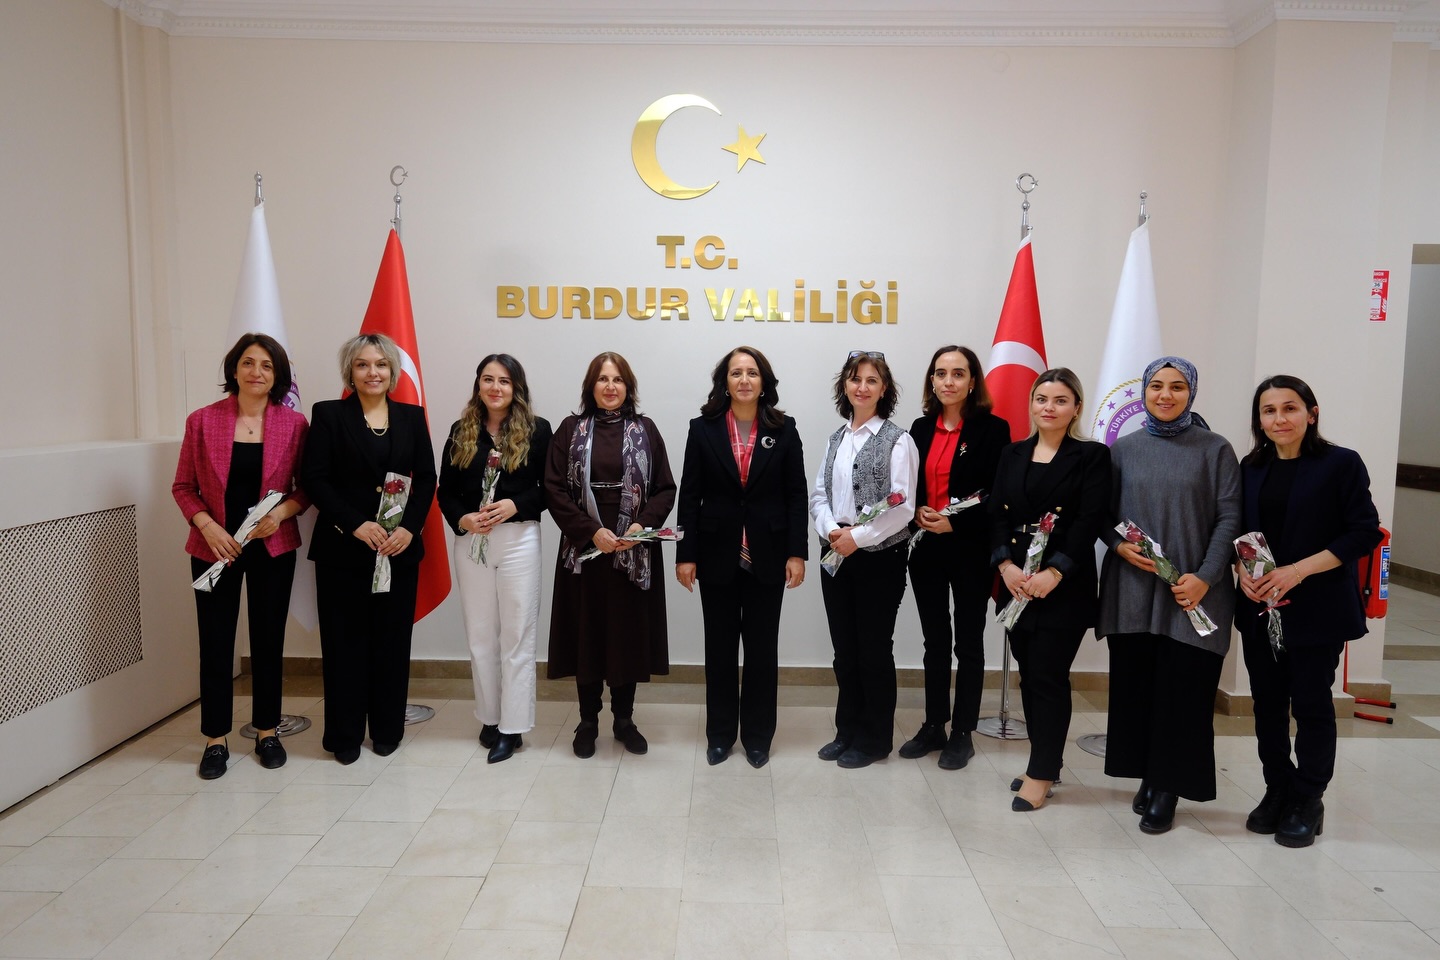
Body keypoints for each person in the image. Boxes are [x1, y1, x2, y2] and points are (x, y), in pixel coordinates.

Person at [1234, 375, 1381, 847]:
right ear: (1259, 420)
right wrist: (1242, 573)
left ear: (1311, 413)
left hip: (1318, 607)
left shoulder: (1340, 463)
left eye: (1290, 408)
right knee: (1267, 705)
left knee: (1312, 704)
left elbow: (1364, 531)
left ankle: (1308, 798)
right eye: (1269, 410)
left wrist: (1298, 571)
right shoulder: (1251, 466)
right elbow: (1238, 531)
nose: (1279, 418)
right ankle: (1277, 788)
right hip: (1261, 607)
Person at [1097, 357, 1241, 834]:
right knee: (1138, 688)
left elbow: (1229, 518)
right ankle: (1150, 773)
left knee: (1183, 693)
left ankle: (1168, 787)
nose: (1165, 395)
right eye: (1156, 386)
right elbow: (1102, 513)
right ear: (1143, 391)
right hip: (1133, 590)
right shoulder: (1124, 449)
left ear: (1191, 392)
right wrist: (1117, 545)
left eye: (1177, 387)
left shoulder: (1215, 449)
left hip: (1193, 593)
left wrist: (1207, 576)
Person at [172, 333, 310, 780]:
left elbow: (307, 488)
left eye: (267, 365)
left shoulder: (295, 424)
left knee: (268, 642)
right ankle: (215, 739)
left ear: (277, 376)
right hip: (214, 549)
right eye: (248, 363)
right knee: (215, 643)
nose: (256, 372)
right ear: (234, 369)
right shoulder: (202, 421)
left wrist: (282, 514)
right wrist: (207, 526)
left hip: (272, 547)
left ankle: (267, 731)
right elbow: (183, 487)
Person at [301, 333, 437, 764]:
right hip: (343, 549)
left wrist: (409, 529)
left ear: (392, 371)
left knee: (391, 643)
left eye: (380, 364)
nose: (372, 372)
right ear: (350, 371)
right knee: (344, 644)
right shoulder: (328, 415)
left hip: (397, 550)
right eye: (362, 364)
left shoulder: (411, 417)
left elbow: (427, 478)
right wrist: (355, 524)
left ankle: (386, 730)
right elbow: (315, 478)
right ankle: (344, 736)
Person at [675, 346, 808, 770]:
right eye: (736, 373)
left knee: (762, 651)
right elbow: (689, 495)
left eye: (752, 373)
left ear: (763, 381)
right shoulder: (702, 429)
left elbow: (796, 495)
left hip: (769, 554)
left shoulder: (784, 429)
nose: (745, 380)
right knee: (718, 650)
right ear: (725, 382)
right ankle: (719, 736)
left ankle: (757, 737)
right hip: (716, 554)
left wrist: (797, 552)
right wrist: (685, 554)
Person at [990, 368, 1111, 812]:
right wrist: (1005, 565)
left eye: (1060, 400)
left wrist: (1055, 572)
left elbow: (1089, 521)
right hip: (1016, 583)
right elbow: (996, 514)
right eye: (1041, 398)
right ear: (1031, 404)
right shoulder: (1012, 452)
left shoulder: (1092, 455)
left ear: (1076, 407)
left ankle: (1041, 773)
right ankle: (1046, 761)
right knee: (1029, 673)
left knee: (1048, 676)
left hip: (1063, 586)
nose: (1049, 407)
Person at [545, 352, 676, 758]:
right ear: (591, 386)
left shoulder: (646, 430)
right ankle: (587, 721)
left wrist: (640, 527)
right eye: (602, 379)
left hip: (630, 552)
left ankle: (624, 720)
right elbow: (553, 488)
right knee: (586, 636)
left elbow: (665, 489)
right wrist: (590, 531)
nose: (610, 386)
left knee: (626, 637)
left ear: (628, 386)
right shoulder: (570, 430)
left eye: (617, 379)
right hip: (584, 551)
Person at [900, 345, 1011, 770]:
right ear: (931, 380)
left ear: (972, 381)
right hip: (925, 548)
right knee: (934, 642)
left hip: (969, 549)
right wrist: (916, 512)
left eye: (958, 373)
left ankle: (963, 731)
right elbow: (907, 485)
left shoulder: (993, 429)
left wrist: (956, 524)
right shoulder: (919, 427)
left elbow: (998, 495)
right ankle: (934, 724)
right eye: (941, 373)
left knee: (968, 642)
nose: (949, 381)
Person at [439, 354, 552, 764]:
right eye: (488, 379)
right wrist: (463, 519)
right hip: (472, 542)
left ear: (516, 387)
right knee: (480, 636)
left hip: (519, 539)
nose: (495, 388)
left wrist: (514, 505)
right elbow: (445, 491)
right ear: (478, 386)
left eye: (504, 381)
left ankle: (513, 726)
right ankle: (489, 717)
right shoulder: (462, 430)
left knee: (517, 636)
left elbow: (550, 488)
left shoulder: (538, 430)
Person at [811, 351, 918, 769]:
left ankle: (874, 740)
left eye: (872, 380)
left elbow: (903, 507)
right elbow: (819, 495)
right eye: (855, 379)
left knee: (873, 650)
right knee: (844, 651)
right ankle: (847, 731)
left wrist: (857, 537)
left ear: (883, 389)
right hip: (835, 551)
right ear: (845, 385)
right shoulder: (835, 438)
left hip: (879, 558)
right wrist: (831, 531)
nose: (862, 387)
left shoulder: (898, 440)